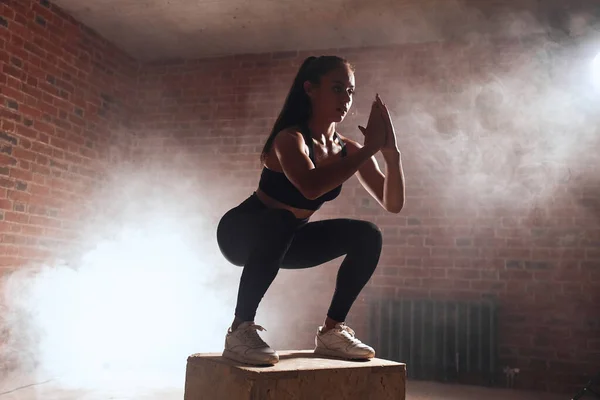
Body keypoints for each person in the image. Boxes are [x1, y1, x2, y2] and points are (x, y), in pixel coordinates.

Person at [216, 55, 406, 366]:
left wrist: (391, 154)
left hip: (288, 238)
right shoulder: (289, 139)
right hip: (242, 233)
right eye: (336, 88)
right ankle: (239, 330)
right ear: (310, 89)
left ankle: (331, 333)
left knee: (367, 235)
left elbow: (393, 204)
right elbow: (310, 187)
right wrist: (370, 149)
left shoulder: (349, 149)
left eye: (350, 92)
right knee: (281, 220)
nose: (345, 99)